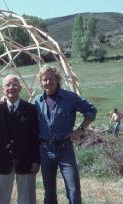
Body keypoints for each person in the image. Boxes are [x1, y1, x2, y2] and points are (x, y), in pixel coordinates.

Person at [34, 65, 97, 204]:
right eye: (44, 79)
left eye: (51, 78)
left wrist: (81, 130)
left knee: (73, 189)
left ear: (57, 79)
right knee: (49, 192)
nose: (48, 82)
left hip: (65, 149)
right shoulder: (37, 100)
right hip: (45, 150)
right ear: (41, 82)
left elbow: (91, 110)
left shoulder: (69, 97)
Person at [0, 74, 40, 204]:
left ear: (20, 88)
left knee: (27, 198)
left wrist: (36, 160)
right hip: (3, 159)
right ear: (3, 89)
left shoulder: (31, 109)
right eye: (8, 85)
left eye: (14, 84)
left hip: (26, 160)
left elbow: (35, 138)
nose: (11, 87)